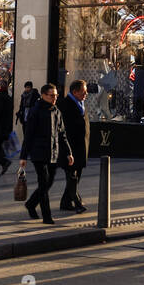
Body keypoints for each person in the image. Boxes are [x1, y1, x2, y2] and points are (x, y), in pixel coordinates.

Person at [20, 83, 72, 225]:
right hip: (39, 153)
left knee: (49, 182)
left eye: (56, 95)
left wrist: (68, 153)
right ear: (43, 95)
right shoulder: (35, 111)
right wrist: (23, 156)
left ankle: (31, 204)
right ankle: (47, 216)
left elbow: (62, 134)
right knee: (43, 184)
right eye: (51, 95)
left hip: (53, 153)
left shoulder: (56, 111)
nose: (54, 98)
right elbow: (28, 135)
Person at [59, 79, 90, 213]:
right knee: (72, 176)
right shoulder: (66, 104)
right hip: (70, 147)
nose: (86, 94)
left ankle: (65, 202)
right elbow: (64, 130)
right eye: (83, 92)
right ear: (74, 91)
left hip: (81, 146)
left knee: (76, 176)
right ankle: (77, 203)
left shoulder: (81, 104)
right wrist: (67, 150)